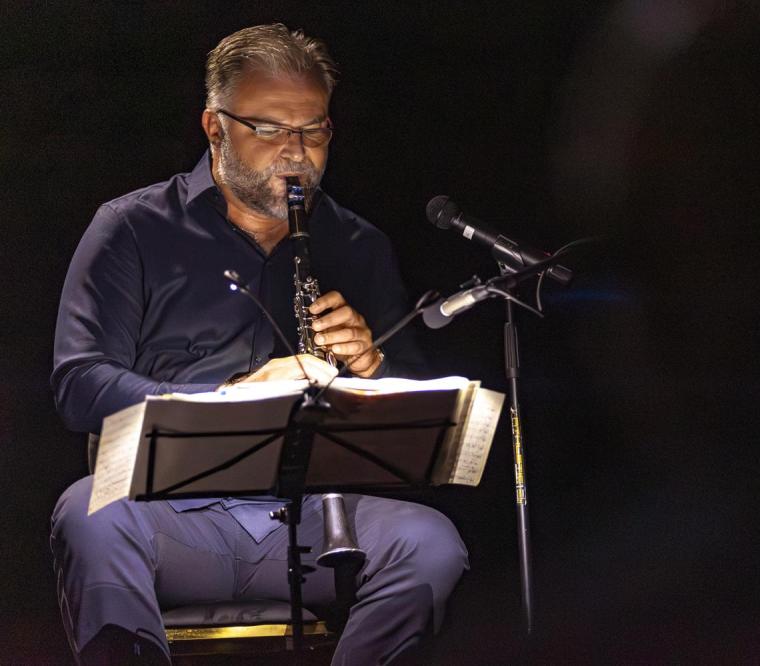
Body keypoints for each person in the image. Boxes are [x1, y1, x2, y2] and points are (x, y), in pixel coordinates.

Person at [49, 24, 468, 665]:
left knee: (430, 542)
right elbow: (79, 384)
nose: (296, 153)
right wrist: (230, 396)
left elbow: (417, 425)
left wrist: (372, 365)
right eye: (270, 129)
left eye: (313, 130)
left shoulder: (359, 245)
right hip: (170, 521)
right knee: (86, 513)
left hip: (316, 525)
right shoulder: (131, 227)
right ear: (215, 128)